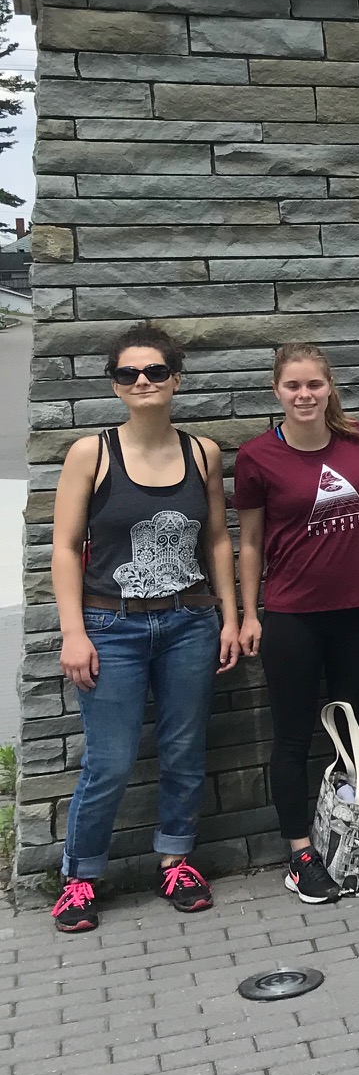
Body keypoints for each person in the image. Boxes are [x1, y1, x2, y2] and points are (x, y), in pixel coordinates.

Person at [49, 323, 239, 933]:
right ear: (115, 384)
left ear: (175, 379)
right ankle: (80, 877)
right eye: (129, 373)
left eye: (155, 371)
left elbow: (216, 539)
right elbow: (63, 546)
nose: (142, 381)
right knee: (109, 757)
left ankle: (176, 861)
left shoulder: (201, 452)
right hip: (112, 625)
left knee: (184, 750)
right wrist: (73, 631)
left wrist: (229, 616)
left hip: (189, 622)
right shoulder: (93, 453)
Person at [235, 343, 359, 903]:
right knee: (294, 736)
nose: (304, 395)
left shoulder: (358, 441)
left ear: (329, 388)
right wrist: (251, 613)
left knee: (354, 737)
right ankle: (301, 854)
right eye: (293, 386)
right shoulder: (256, 458)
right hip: (293, 616)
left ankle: (352, 846)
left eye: (314, 385)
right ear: (277, 390)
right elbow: (249, 542)